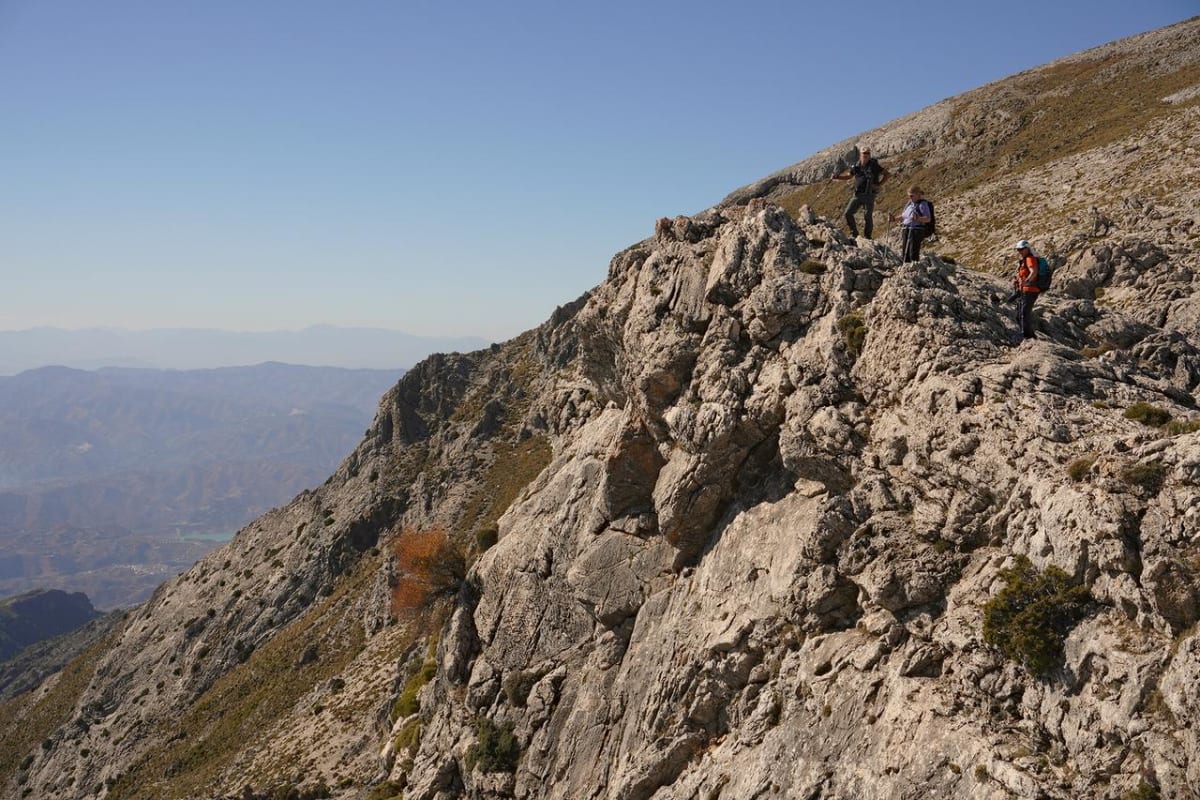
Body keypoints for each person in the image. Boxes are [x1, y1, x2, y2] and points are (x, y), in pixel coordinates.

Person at [831, 146, 889, 239]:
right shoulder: (856, 166)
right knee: (848, 213)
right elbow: (849, 176)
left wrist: (879, 185)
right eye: (864, 153)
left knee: (867, 216)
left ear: (870, 155)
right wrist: (838, 177)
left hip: (869, 195)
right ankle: (854, 234)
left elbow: (887, 174)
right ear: (860, 155)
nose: (865, 155)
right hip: (857, 194)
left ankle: (867, 237)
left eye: (867, 153)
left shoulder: (874, 165)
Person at [1012, 239, 1041, 341]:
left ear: (1027, 249)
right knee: (1021, 314)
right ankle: (1029, 336)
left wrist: (1026, 281)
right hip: (1026, 290)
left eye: (1021, 249)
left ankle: (1028, 337)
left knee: (1024, 314)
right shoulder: (1025, 260)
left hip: (1030, 290)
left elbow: (1034, 271)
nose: (1019, 251)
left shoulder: (1029, 259)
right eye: (1018, 250)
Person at [893, 186, 932, 262]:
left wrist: (918, 218)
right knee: (905, 251)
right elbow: (903, 216)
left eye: (911, 196)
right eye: (909, 196)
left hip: (916, 230)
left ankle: (914, 268)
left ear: (918, 195)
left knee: (913, 252)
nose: (910, 198)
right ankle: (906, 268)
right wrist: (894, 219)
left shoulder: (922, 204)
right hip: (906, 229)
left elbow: (928, 218)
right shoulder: (909, 205)